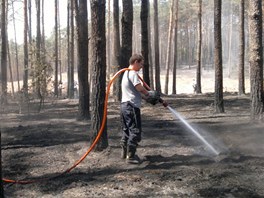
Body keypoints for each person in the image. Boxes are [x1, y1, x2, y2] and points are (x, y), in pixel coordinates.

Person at [120, 54, 160, 164]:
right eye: (141, 63)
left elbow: (133, 91)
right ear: (136, 62)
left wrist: (146, 97)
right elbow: (139, 87)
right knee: (135, 131)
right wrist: (149, 94)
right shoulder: (133, 73)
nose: (142, 66)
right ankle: (131, 157)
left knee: (127, 130)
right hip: (132, 106)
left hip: (125, 105)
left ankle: (124, 154)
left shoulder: (126, 73)